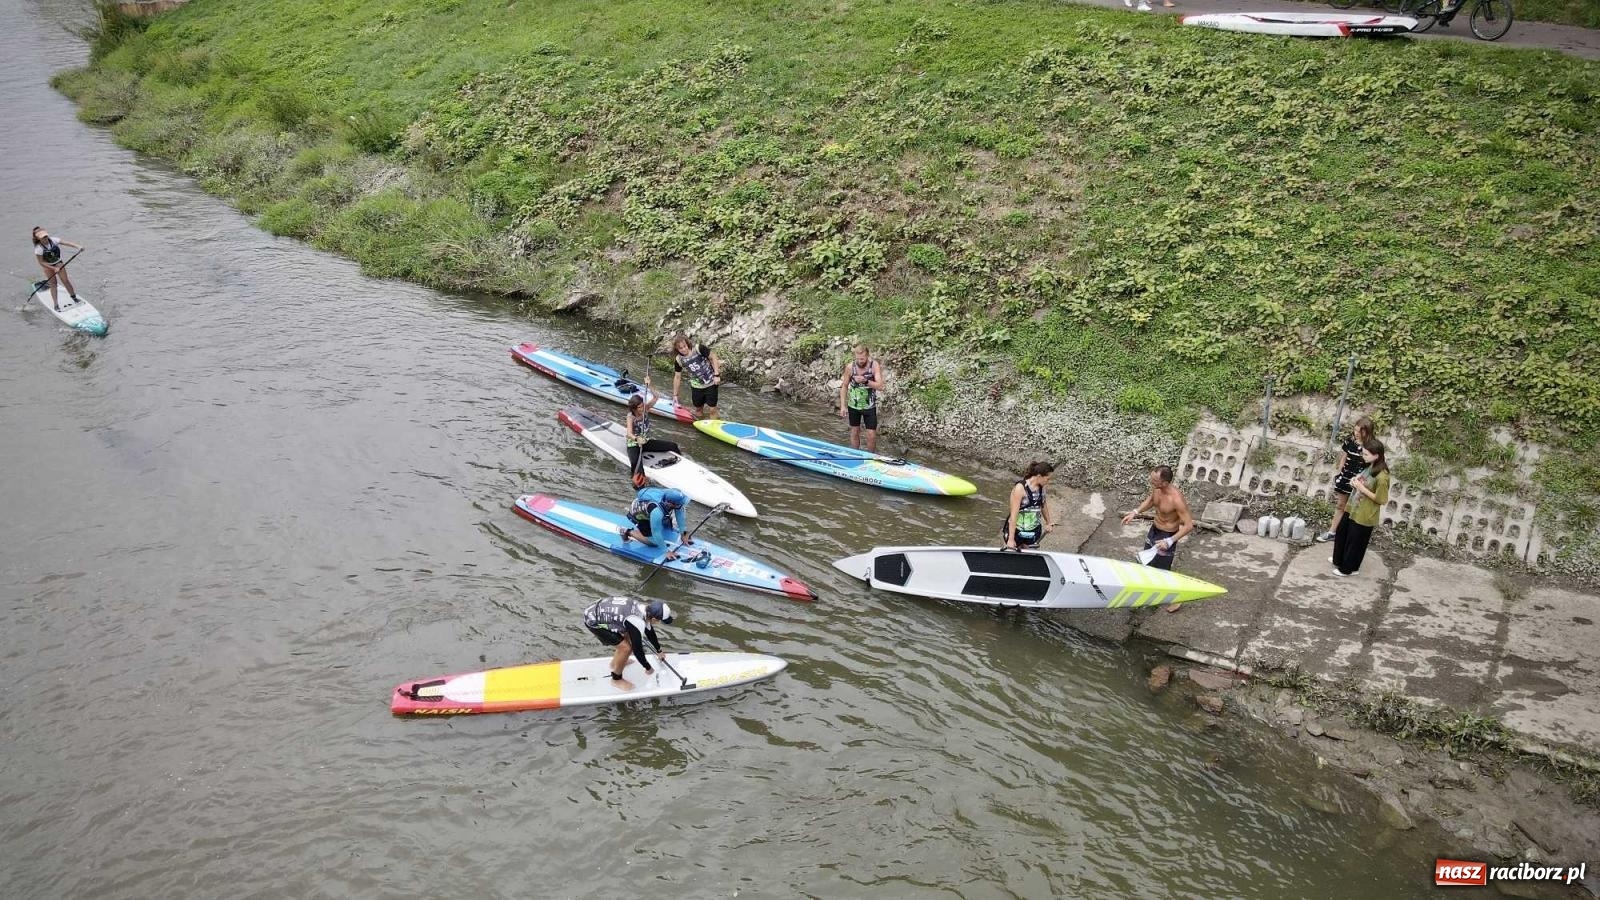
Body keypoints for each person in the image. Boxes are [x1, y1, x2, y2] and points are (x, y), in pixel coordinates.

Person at [583, 596, 675, 682]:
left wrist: (659, 650)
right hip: (592, 619)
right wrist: (648, 668)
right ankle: (616, 679)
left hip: (596, 608)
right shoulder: (637, 621)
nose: (659, 623)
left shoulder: (643, 609)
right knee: (626, 648)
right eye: (660, 621)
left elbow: (650, 632)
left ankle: (615, 663)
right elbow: (637, 650)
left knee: (629, 636)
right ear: (654, 619)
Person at [1332, 439, 1390, 577]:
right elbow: (1363, 481)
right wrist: (1355, 481)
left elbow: (1381, 499)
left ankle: (1348, 569)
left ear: (1376, 455)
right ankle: (1339, 560)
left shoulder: (1382, 477)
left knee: (1356, 542)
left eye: (1366, 454)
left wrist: (1362, 488)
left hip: (1365, 513)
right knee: (1342, 532)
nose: (1363, 456)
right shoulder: (1370, 466)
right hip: (1354, 507)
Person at [1121, 465, 1195, 573]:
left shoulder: (1176, 500)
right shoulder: (1157, 489)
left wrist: (1169, 541)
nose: (1151, 481)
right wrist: (1135, 512)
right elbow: (1151, 501)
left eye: (1154, 480)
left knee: (1160, 570)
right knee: (1146, 561)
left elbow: (1189, 526)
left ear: (1164, 483)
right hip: (1154, 530)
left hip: (1167, 535)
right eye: (1151, 478)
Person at [1317, 416, 1375, 543]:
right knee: (1340, 505)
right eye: (1355, 430)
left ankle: (1346, 536)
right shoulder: (1350, 441)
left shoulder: (1372, 446)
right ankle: (1332, 532)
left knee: (1353, 510)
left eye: (1360, 432)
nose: (1357, 434)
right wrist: (1340, 472)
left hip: (1360, 482)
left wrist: (1363, 483)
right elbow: (1344, 457)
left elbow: (1372, 466)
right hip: (1346, 477)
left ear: (1368, 432)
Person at [623, 375, 681, 488]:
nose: (642, 408)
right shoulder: (631, 417)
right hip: (634, 444)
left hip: (645, 442)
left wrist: (649, 385)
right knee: (636, 465)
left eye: (642, 405)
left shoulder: (646, 409)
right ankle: (641, 485)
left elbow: (656, 396)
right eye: (639, 407)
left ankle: (680, 465)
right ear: (634, 408)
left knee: (673, 446)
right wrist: (637, 439)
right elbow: (629, 434)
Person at [619, 486, 695, 559]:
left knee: (667, 527)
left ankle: (657, 525)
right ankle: (627, 531)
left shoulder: (673, 499)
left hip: (652, 511)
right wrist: (666, 551)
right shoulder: (657, 512)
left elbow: (680, 516)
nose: (682, 504)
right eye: (680, 503)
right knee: (654, 542)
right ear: (671, 503)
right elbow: (656, 533)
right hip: (640, 516)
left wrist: (683, 534)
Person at [837, 344, 884, 452]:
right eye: (858, 358)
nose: (860, 361)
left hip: (869, 406)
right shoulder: (850, 367)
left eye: (862, 359)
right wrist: (843, 406)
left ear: (867, 356)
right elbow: (844, 386)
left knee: (871, 434)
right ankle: (855, 454)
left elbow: (880, 386)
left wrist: (866, 381)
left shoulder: (874, 366)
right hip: (853, 405)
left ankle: (871, 457)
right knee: (855, 430)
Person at [1002, 461, 1056, 550]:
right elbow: (1013, 516)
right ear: (1039, 476)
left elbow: (1043, 504)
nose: (1048, 482)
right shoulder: (1020, 488)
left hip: (1033, 530)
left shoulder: (1042, 487)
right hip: (1017, 531)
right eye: (1047, 479)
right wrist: (1011, 540)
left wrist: (1048, 522)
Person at [31, 226, 84, 312]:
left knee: (65, 280)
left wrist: (78, 246)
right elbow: (41, 263)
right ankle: (56, 305)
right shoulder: (38, 249)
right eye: (43, 237)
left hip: (58, 263)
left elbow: (66, 243)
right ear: (38, 239)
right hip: (47, 266)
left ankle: (74, 298)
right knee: (53, 284)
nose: (45, 238)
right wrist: (53, 268)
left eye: (46, 236)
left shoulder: (53, 240)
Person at [671, 334, 723, 420]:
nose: (684, 349)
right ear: (677, 349)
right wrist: (675, 395)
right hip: (696, 386)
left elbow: (713, 356)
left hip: (711, 383)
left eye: (685, 346)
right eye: (680, 348)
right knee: (698, 409)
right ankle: (700, 424)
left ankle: (714, 425)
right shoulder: (678, 359)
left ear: (687, 344)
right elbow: (677, 377)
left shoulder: (698, 349)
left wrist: (716, 375)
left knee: (712, 409)